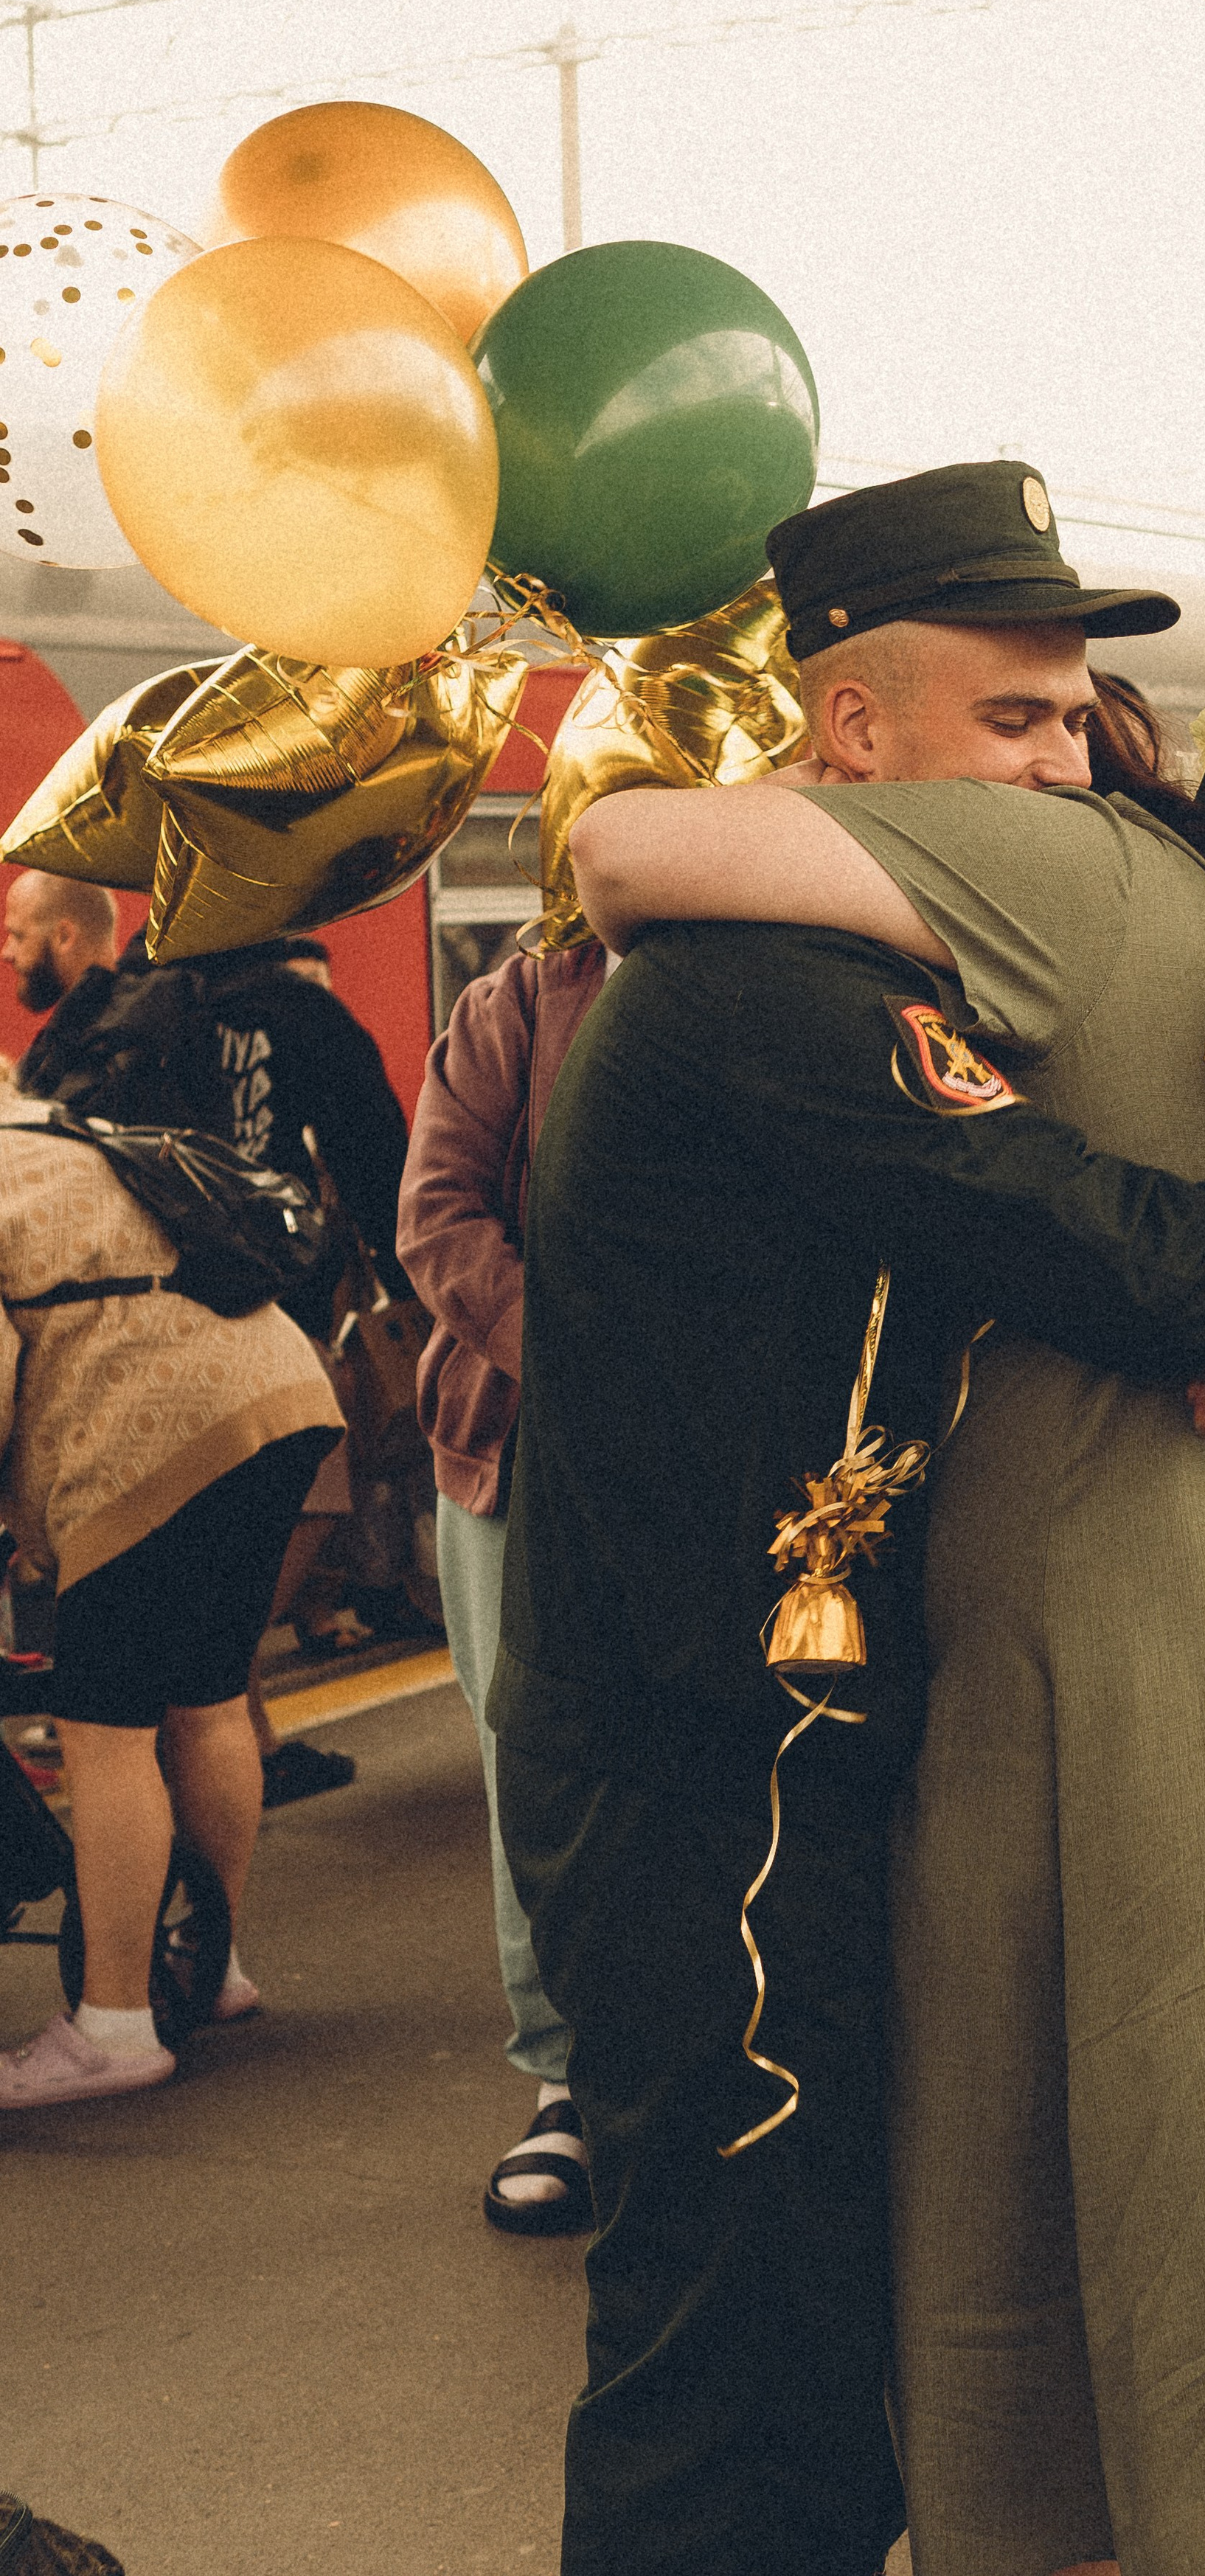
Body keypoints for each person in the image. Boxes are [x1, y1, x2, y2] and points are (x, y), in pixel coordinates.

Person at [541, 459, 1205, 2576]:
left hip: (792, 1718)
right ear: (855, 737)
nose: (1074, 764)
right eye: (1016, 722)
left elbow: (1048, 1271)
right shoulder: (759, 995)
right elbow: (1079, 1231)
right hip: (714, 1749)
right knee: (732, 2346)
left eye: (1079, 720)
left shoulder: (823, 963)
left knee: (823, 2307)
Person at [0, 1073, 343, 2107]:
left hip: (151, 1428)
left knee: (102, 1726)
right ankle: (208, 1963)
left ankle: (113, 2025)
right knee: (204, 1697)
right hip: (277, 1393)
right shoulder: (55, 1130)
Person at [398, 934, 607, 2233]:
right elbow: (439, 1211)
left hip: (739, 1448)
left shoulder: (791, 971)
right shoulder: (519, 997)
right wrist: (579, 1360)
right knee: (525, 1762)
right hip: (520, 1441)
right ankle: (564, 2083)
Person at [3, 872, 119, 1097]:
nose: (6, 953)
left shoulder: (114, 1049)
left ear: (64, 936)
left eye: (18, 936)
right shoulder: (74, 1034)